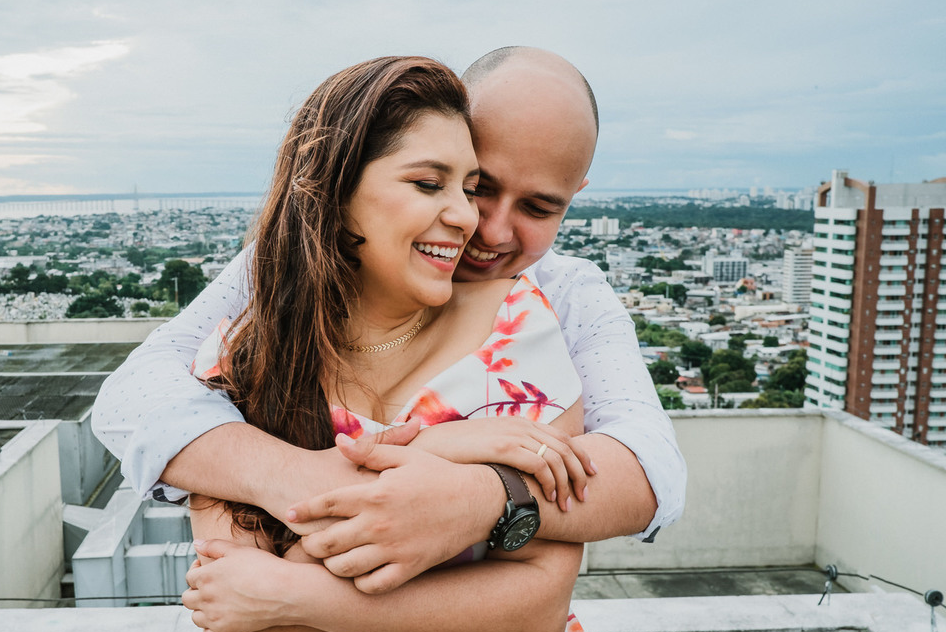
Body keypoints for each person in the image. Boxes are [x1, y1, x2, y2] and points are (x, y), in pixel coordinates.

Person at [92, 46, 685, 595]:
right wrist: (300, 476)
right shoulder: (295, 264)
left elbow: (650, 467)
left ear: (575, 195)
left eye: (538, 207)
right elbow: (132, 396)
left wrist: (481, 497)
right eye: (478, 186)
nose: (489, 228)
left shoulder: (564, 294)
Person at [180, 55, 621, 632]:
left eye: (466, 186)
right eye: (431, 184)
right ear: (336, 191)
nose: (473, 221)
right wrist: (445, 451)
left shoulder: (521, 329)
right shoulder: (244, 363)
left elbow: (537, 608)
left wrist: (290, 589)